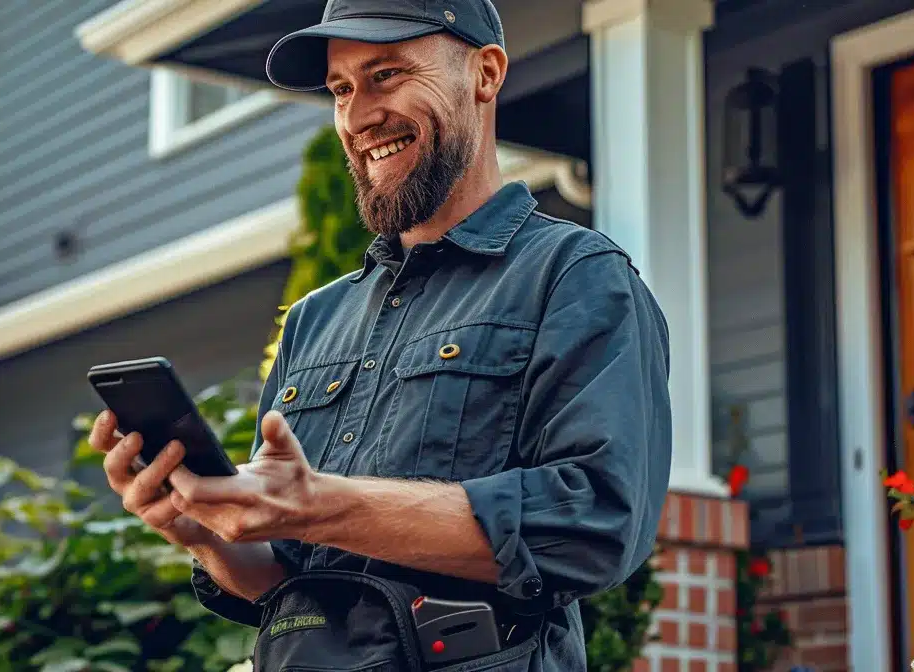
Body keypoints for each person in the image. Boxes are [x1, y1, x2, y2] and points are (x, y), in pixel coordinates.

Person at [88, 0, 672, 669]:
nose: (358, 116)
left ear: (484, 74)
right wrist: (203, 530)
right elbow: (284, 581)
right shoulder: (315, 320)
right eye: (341, 89)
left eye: (387, 74)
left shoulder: (574, 277)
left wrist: (316, 505)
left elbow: (595, 523)